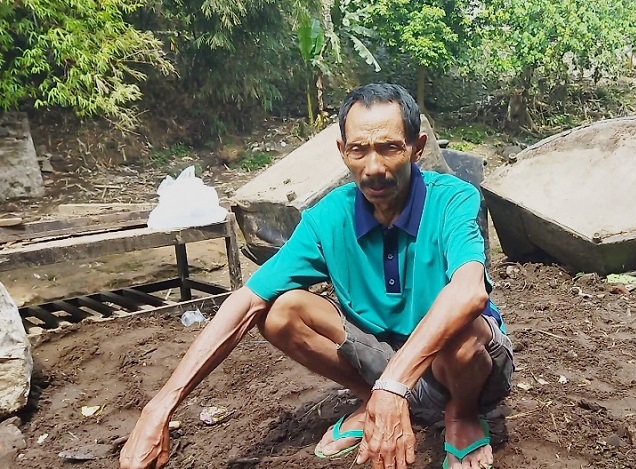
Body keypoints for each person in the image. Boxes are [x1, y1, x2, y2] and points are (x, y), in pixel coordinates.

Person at [119, 83, 514, 469]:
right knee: (281, 311)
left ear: (417, 147)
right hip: (384, 360)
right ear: (342, 152)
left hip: (462, 367)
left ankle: (460, 414)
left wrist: (393, 385)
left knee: (461, 329)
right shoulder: (329, 216)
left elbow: (468, 292)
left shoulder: (453, 199)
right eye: (359, 150)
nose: (374, 168)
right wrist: (161, 405)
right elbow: (247, 299)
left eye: (390, 147)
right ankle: (372, 400)